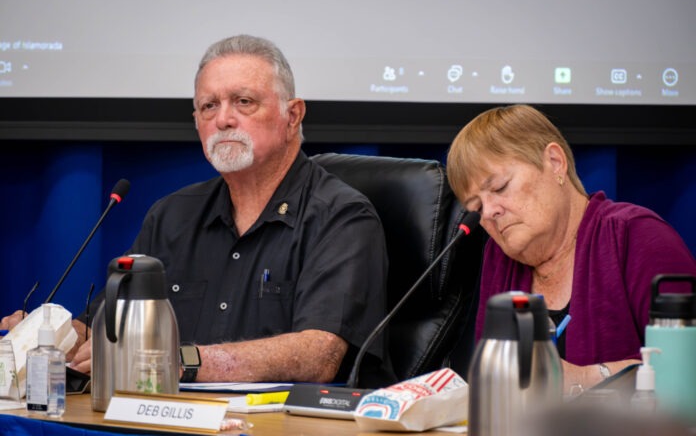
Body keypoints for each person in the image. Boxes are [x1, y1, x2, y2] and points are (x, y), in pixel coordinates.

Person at [2, 35, 392, 386]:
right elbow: (106, 331)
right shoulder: (172, 215)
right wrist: (46, 338)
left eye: (243, 102)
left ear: (292, 116)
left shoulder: (342, 216)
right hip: (170, 420)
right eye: (209, 106)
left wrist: (178, 362)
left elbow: (318, 355)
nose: (223, 119)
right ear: (196, 122)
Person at [446, 104, 696, 392]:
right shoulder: (498, 257)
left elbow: (687, 372)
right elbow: (493, 383)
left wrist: (585, 377)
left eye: (500, 187)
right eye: (476, 207)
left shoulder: (637, 237)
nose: (489, 212)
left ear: (555, 162)